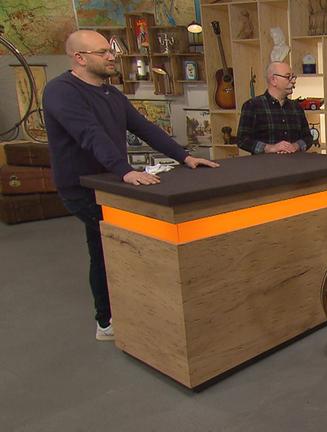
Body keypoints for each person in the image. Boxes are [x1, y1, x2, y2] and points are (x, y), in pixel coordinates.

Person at [42, 30, 220, 341]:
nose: (111, 57)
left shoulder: (111, 94)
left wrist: (185, 156)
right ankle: (112, 319)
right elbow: (89, 134)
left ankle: (110, 317)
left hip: (111, 184)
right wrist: (124, 170)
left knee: (103, 248)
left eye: (111, 51)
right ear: (79, 58)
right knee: (115, 247)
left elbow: (145, 128)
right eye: (102, 52)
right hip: (82, 188)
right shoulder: (61, 91)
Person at [237, 62, 312, 155]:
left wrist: (295, 146)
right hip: (264, 163)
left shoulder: (296, 107)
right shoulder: (252, 106)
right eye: (288, 77)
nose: (293, 81)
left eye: (293, 77)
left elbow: (308, 138)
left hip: (295, 162)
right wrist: (270, 148)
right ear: (273, 80)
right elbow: (242, 140)